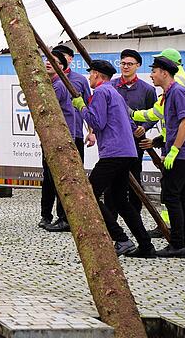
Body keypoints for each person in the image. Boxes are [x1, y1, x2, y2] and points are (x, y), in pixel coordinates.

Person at [72, 60, 155, 258]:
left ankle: (121, 239)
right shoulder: (115, 92)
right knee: (120, 200)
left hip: (113, 152)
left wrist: (82, 107)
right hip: (127, 152)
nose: (89, 77)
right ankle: (145, 245)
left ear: (98, 75)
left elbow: (97, 122)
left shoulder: (101, 92)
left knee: (89, 195)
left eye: (91, 74)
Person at [140, 56, 185, 257]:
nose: (152, 75)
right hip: (183, 153)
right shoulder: (169, 94)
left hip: (182, 154)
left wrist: (174, 151)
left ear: (164, 73)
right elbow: (172, 127)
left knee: (172, 196)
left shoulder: (178, 92)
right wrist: (158, 142)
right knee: (182, 197)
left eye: (154, 71)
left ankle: (177, 244)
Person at [109, 49, 157, 215]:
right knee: (112, 180)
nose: (126, 67)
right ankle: (111, 218)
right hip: (113, 141)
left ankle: (135, 216)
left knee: (135, 179)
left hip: (135, 142)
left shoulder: (147, 90)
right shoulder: (111, 86)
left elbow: (155, 114)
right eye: (123, 63)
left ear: (138, 66)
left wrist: (144, 127)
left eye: (130, 64)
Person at [40, 51, 76, 232]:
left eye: (54, 61)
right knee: (48, 178)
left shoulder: (59, 86)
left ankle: (64, 217)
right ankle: (46, 215)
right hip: (50, 136)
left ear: (61, 67)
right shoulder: (49, 83)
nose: (48, 63)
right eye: (47, 59)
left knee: (59, 178)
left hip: (60, 137)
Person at [52, 45, 95, 155]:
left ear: (70, 59)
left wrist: (91, 132)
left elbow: (88, 105)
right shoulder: (47, 79)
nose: (57, 59)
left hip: (76, 133)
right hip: (53, 133)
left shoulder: (80, 80)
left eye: (62, 56)